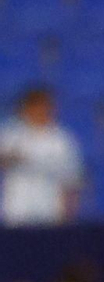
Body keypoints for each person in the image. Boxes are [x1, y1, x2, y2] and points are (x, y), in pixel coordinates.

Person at [0, 86, 84, 227]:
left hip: (48, 210)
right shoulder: (11, 133)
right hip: (16, 209)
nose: (40, 111)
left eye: (44, 106)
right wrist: (12, 158)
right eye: (35, 106)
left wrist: (67, 213)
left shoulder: (62, 139)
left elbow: (73, 178)